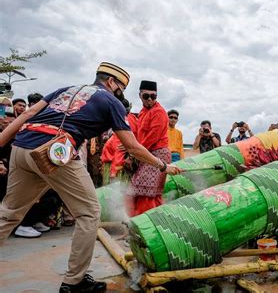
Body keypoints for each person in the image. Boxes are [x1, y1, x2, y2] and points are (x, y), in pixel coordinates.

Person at [0, 62, 182, 292]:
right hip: (55, 151)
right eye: (121, 88)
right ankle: (73, 282)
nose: (121, 94)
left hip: (21, 146)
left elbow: (27, 114)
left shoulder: (65, 89)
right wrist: (163, 166)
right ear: (112, 82)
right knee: (89, 213)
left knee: (8, 214)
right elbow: (132, 147)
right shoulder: (110, 100)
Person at [126, 80, 171, 217]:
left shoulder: (159, 112)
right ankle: (154, 222)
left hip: (157, 153)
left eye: (153, 96)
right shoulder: (143, 112)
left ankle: (145, 225)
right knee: (147, 192)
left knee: (146, 192)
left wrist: (134, 154)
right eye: (146, 96)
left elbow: (152, 137)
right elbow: (140, 136)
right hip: (147, 152)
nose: (150, 99)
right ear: (140, 95)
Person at [101, 98, 138, 183]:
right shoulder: (129, 120)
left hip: (118, 160)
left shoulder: (126, 120)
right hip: (111, 159)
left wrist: (114, 173)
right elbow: (119, 149)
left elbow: (120, 149)